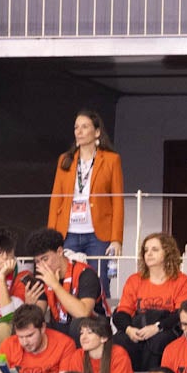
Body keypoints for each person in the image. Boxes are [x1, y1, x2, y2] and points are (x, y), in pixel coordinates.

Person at [47, 110, 124, 297]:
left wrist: (116, 238)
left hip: (99, 235)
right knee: (67, 280)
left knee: (100, 282)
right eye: (76, 127)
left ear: (97, 132)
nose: (79, 131)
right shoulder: (65, 160)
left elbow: (117, 201)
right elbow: (56, 198)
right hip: (68, 232)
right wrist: (50, 236)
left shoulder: (111, 160)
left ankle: (101, 323)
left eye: (84, 127)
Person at [114, 233, 187, 370]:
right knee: (120, 341)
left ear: (167, 253)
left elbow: (181, 313)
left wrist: (156, 327)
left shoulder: (181, 280)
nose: (149, 254)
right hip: (138, 326)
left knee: (158, 341)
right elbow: (122, 312)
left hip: (166, 327)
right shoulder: (134, 280)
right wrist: (129, 330)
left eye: (155, 250)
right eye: (146, 250)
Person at [23, 228, 105, 342]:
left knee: (76, 326)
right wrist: (30, 306)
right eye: (37, 262)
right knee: (26, 327)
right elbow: (37, 316)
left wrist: (55, 286)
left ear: (60, 251)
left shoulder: (85, 274)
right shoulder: (43, 277)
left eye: (45, 259)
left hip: (93, 328)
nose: (41, 265)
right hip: (59, 327)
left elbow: (83, 313)